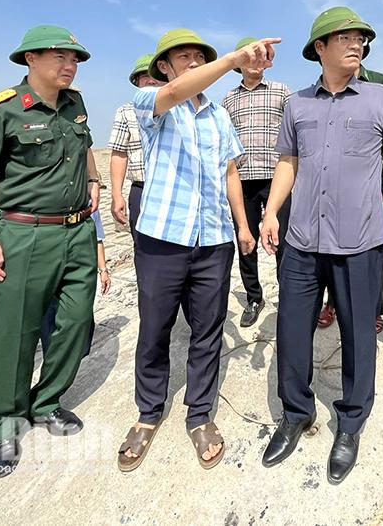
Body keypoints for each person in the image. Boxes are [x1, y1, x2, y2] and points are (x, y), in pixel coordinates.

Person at [259, 6, 383, 484]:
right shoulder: (297, 105)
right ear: (320, 48)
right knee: (292, 331)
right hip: (302, 239)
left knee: (358, 335)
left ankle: (350, 422)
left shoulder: (379, 98)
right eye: (345, 37)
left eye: (360, 38)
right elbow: (287, 161)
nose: (357, 44)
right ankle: (296, 412)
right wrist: (270, 211)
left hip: (359, 240)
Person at [117, 29, 276, 473]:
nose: (191, 62)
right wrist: (232, 60)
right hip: (162, 239)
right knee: (155, 329)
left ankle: (200, 414)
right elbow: (173, 93)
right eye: (182, 56)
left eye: (197, 56)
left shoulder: (219, 116)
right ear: (164, 66)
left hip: (213, 240)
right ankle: (148, 413)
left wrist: (242, 226)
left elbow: (230, 173)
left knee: (208, 330)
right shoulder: (151, 103)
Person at [0, 24, 100, 477]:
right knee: (15, 331)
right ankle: (4, 422)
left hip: (77, 232)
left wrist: (94, 179)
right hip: (25, 233)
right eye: (60, 56)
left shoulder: (75, 104)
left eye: (74, 59)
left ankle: (46, 401)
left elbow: (85, 146)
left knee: (76, 322)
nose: (70, 65)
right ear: (30, 59)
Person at [222, 37, 293, 327]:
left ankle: (289, 296)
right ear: (239, 63)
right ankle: (254, 296)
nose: (255, 63)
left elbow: (294, 132)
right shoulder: (228, 99)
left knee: (284, 241)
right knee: (246, 241)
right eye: (249, 57)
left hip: (277, 179)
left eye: (260, 57)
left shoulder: (281, 91)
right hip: (243, 181)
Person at [318, 63, 383, 334]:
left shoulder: (379, 83)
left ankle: (374, 307)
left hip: (368, 179)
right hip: (332, 181)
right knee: (329, 244)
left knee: (371, 246)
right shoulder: (323, 86)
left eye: (357, 42)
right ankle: (332, 303)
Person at [110, 54, 162, 282]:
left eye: (154, 76)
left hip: (174, 190)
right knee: (143, 249)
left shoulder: (180, 109)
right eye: (144, 77)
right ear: (137, 82)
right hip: (141, 190)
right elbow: (119, 153)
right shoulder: (125, 111)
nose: (150, 80)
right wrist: (116, 194)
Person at [41, 208, 110, 356]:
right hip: (49, 268)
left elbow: (98, 239)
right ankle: (53, 355)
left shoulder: (90, 205)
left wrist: (103, 270)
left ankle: (77, 353)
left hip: (80, 267)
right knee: (49, 316)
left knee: (80, 313)